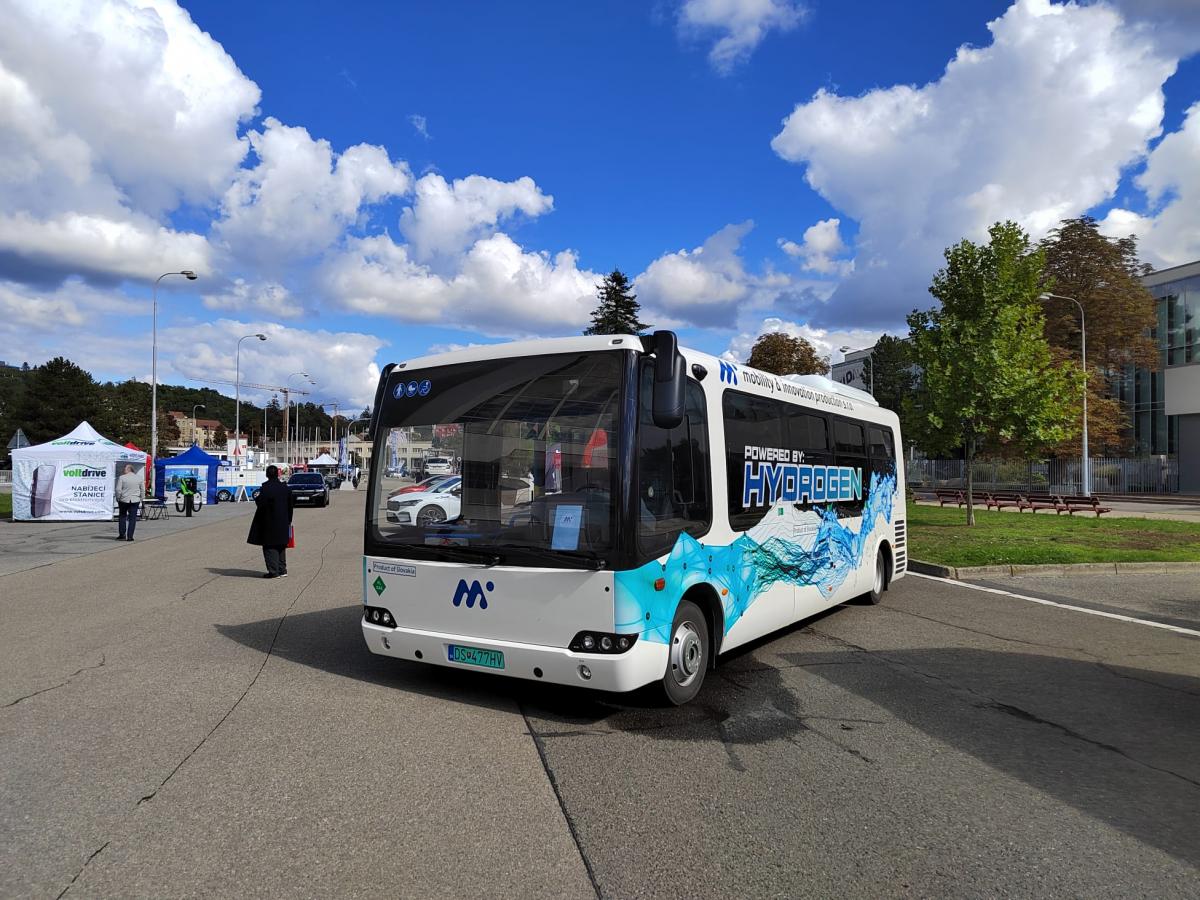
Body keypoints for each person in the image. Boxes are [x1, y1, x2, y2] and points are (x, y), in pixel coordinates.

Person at [247, 464, 294, 578]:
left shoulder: (266, 488)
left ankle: (273, 571)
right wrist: (288, 520)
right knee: (281, 546)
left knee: (269, 546)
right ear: (278, 474)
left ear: (267, 474)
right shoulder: (285, 487)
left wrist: (257, 499)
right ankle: (282, 570)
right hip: (283, 520)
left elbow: (261, 504)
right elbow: (291, 505)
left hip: (269, 521)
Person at [116, 463, 143, 541]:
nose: (123, 470)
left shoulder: (122, 478)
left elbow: (118, 490)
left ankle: (122, 534)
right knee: (132, 518)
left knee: (122, 516)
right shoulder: (139, 478)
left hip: (124, 500)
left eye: (124, 469)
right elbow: (142, 489)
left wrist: (118, 497)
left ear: (128, 469)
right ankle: (130, 536)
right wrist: (141, 498)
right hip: (135, 500)